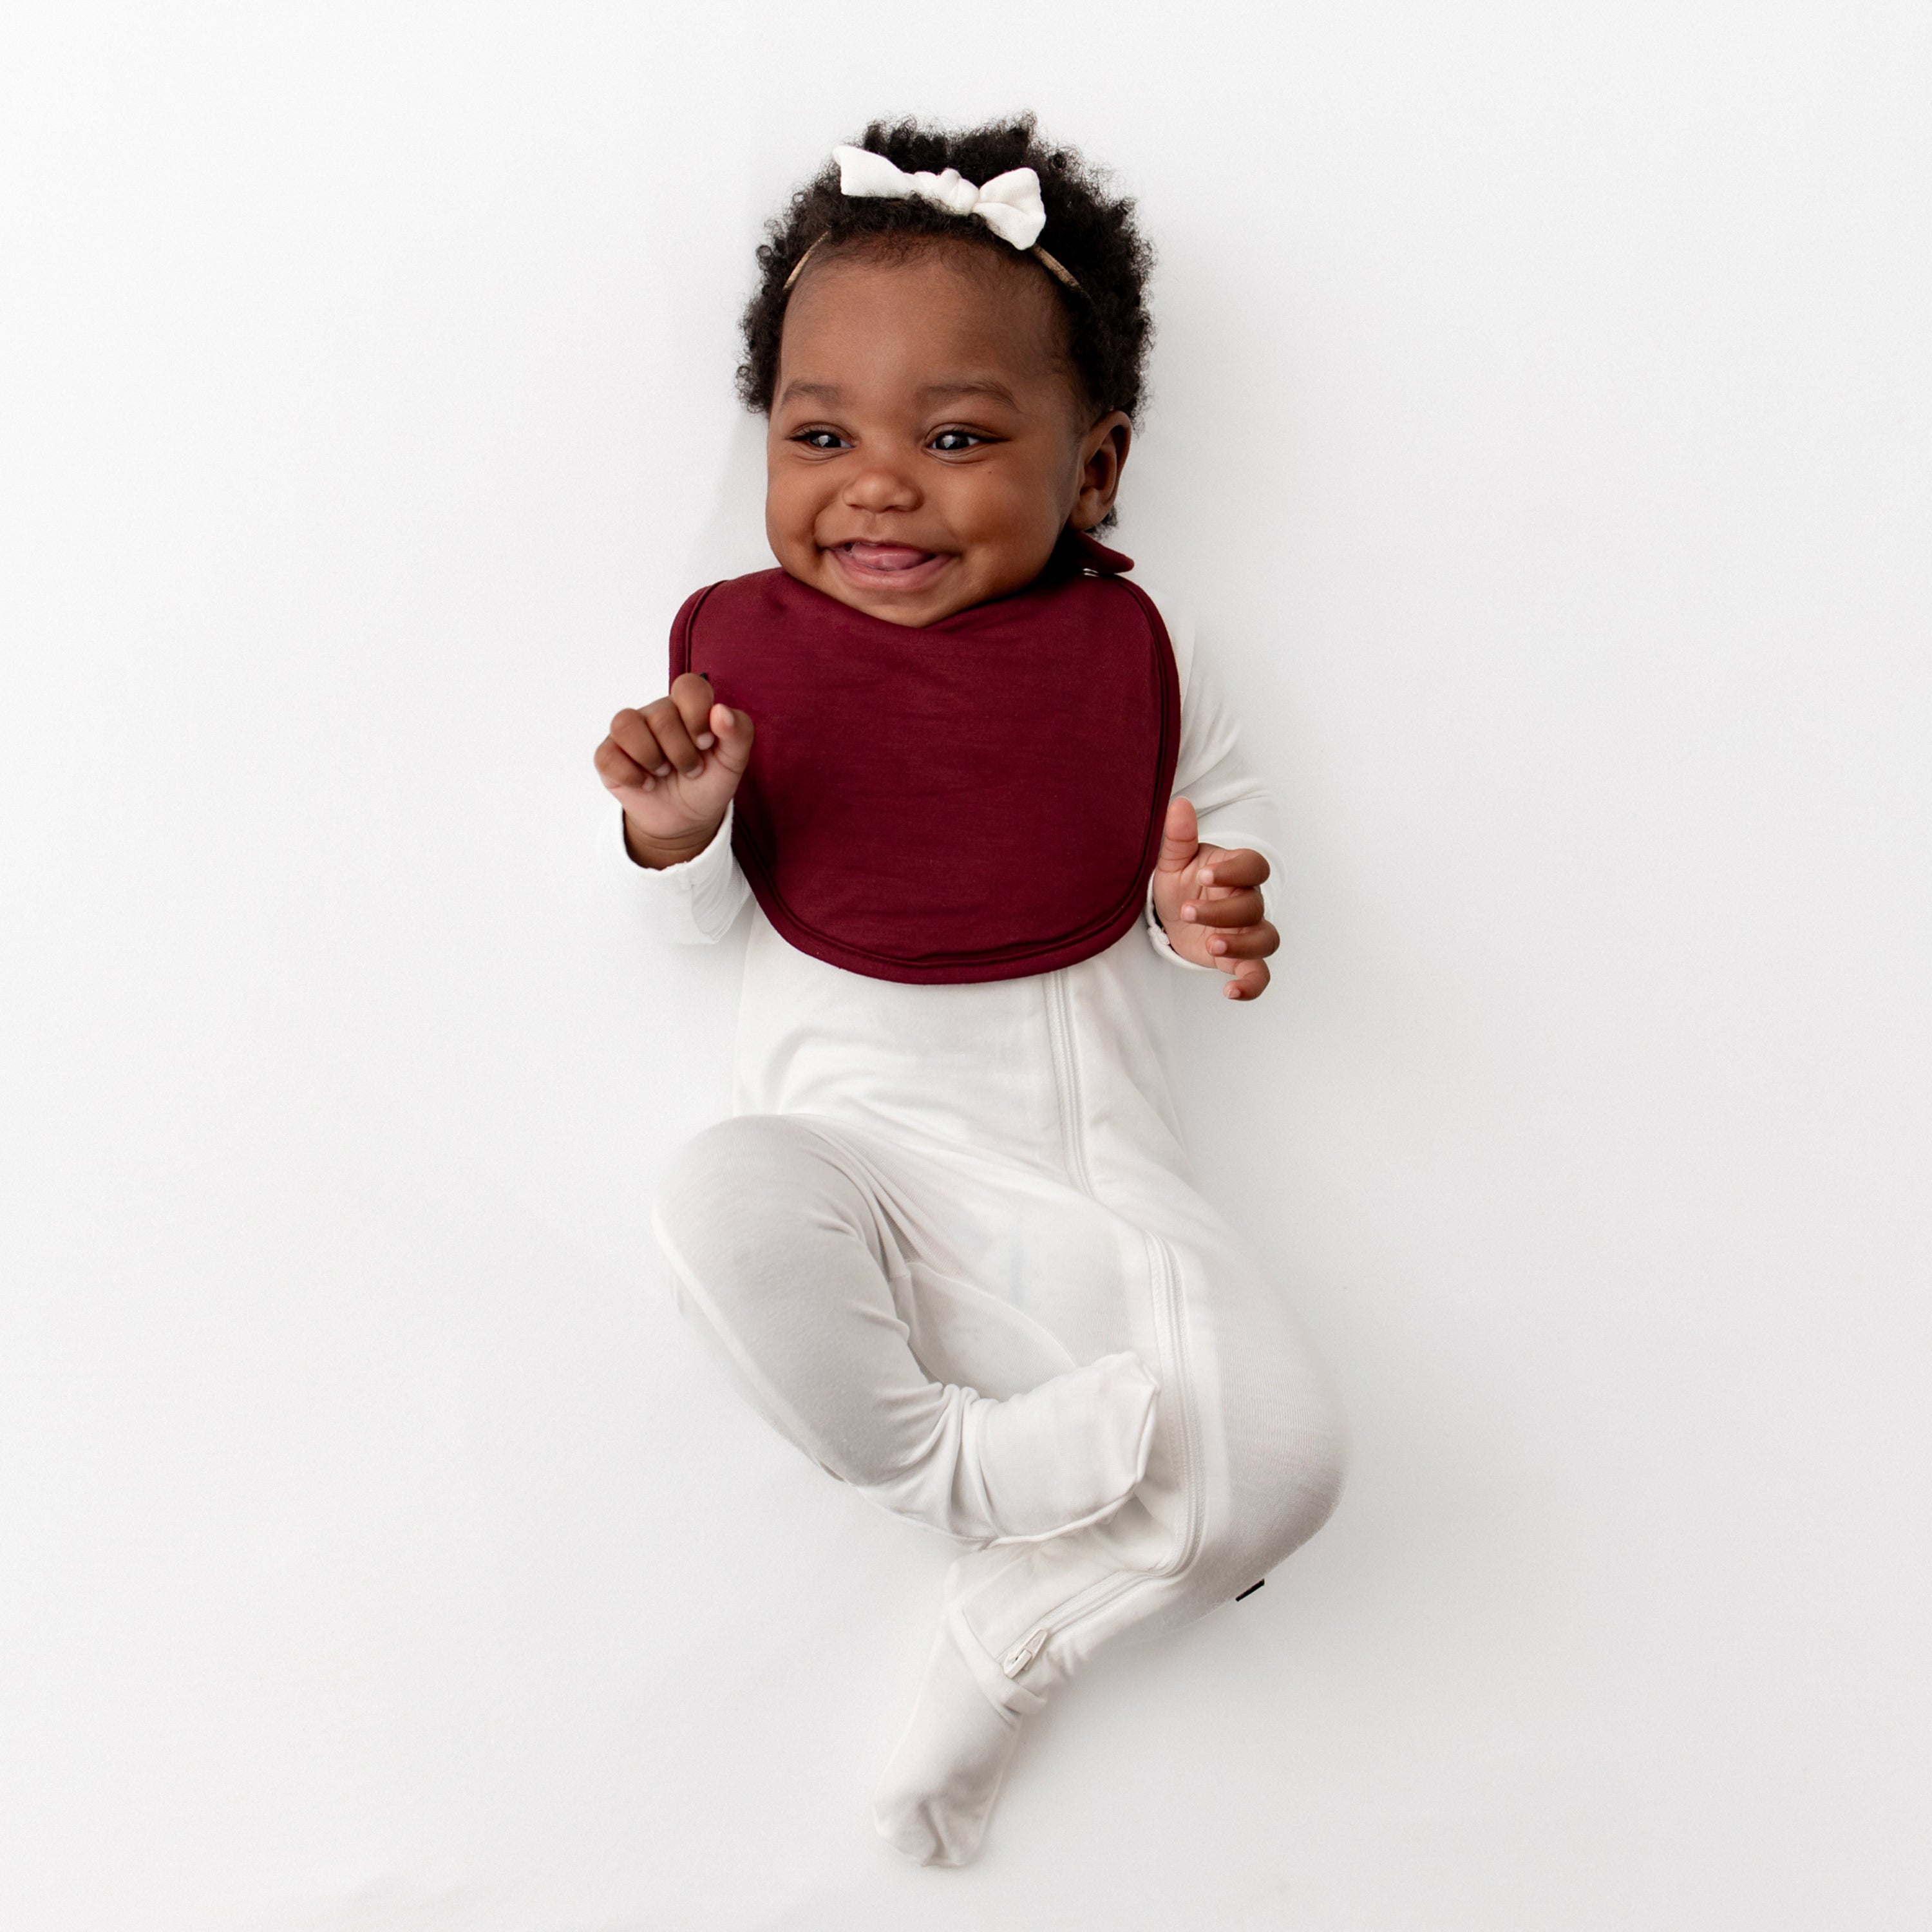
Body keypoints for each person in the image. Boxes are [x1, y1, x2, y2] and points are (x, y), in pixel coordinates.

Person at [594, 117, 1347, 1868]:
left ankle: (1010, 1630)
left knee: (1292, 1461)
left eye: (955, 438)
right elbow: (696, 928)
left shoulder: (1147, 656)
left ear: (1094, 471)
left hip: (1088, 1185)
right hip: (850, 1165)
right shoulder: (736, 663)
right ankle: (958, 1475)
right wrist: (674, 834)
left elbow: (1199, 855)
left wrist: (1202, 910)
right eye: (821, 435)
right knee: (714, 1192)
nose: (878, 484)